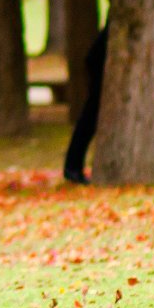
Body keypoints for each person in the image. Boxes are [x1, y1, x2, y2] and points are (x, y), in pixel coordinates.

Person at [61, 20, 107, 185]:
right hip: (100, 67)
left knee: (90, 119)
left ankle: (73, 167)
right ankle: (72, 168)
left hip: (100, 64)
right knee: (89, 119)